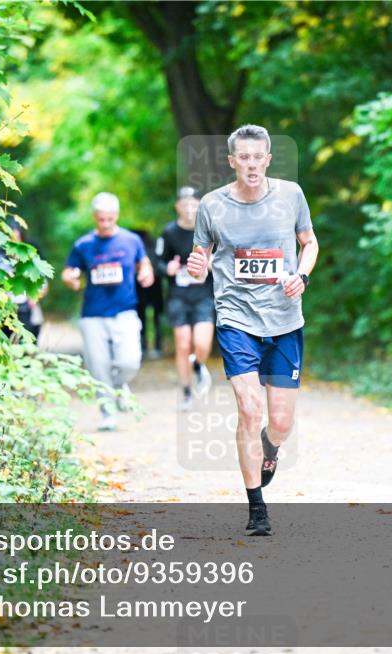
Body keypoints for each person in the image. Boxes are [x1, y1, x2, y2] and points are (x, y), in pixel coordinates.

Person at [186, 125, 319, 536]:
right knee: (249, 408)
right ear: (232, 162)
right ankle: (256, 507)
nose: (251, 164)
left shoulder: (291, 195)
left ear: (267, 159)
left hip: (284, 319)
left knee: (279, 423)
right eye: (242, 157)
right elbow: (201, 256)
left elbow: (309, 242)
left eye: (257, 156)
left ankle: (270, 448)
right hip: (236, 317)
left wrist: (302, 274)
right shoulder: (212, 205)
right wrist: (197, 267)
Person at [64, 192, 155, 431]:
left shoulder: (131, 240)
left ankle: (119, 386)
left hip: (125, 311)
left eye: (109, 219)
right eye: (101, 219)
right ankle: (107, 414)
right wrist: (72, 278)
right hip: (93, 314)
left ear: (116, 216)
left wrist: (146, 272)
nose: (105, 224)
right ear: (94, 217)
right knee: (98, 366)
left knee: (130, 362)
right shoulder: (83, 244)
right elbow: (69, 270)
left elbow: (143, 263)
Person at [155, 186, 215, 411]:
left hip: (203, 295)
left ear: (200, 206)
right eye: (184, 203)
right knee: (182, 344)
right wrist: (167, 268)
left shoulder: (210, 231)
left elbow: (224, 259)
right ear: (177, 206)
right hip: (178, 296)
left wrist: (212, 263)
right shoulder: (169, 232)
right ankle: (187, 393)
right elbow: (157, 263)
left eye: (193, 203)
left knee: (201, 343)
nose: (189, 208)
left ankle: (198, 366)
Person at [0, 219, 47, 342]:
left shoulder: (32, 256)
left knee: (27, 343)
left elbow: (43, 283)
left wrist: (34, 299)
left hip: (27, 306)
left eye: (16, 238)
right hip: (3, 308)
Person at [132, 228, 165, 360]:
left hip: (149, 287)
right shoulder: (154, 245)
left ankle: (148, 346)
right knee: (151, 318)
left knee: (147, 318)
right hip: (148, 288)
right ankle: (151, 346)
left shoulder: (148, 247)